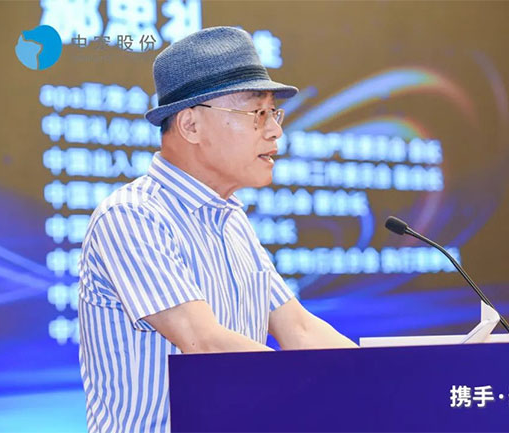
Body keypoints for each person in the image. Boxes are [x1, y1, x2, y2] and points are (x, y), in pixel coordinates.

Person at [77, 26, 357, 433]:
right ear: (190, 125)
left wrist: (386, 379)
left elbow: (298, 328)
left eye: (274, 113)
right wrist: (316, 390)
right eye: (257, 113)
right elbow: (205, 343)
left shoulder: (231, 220)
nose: (275, 130)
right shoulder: (132, 217)